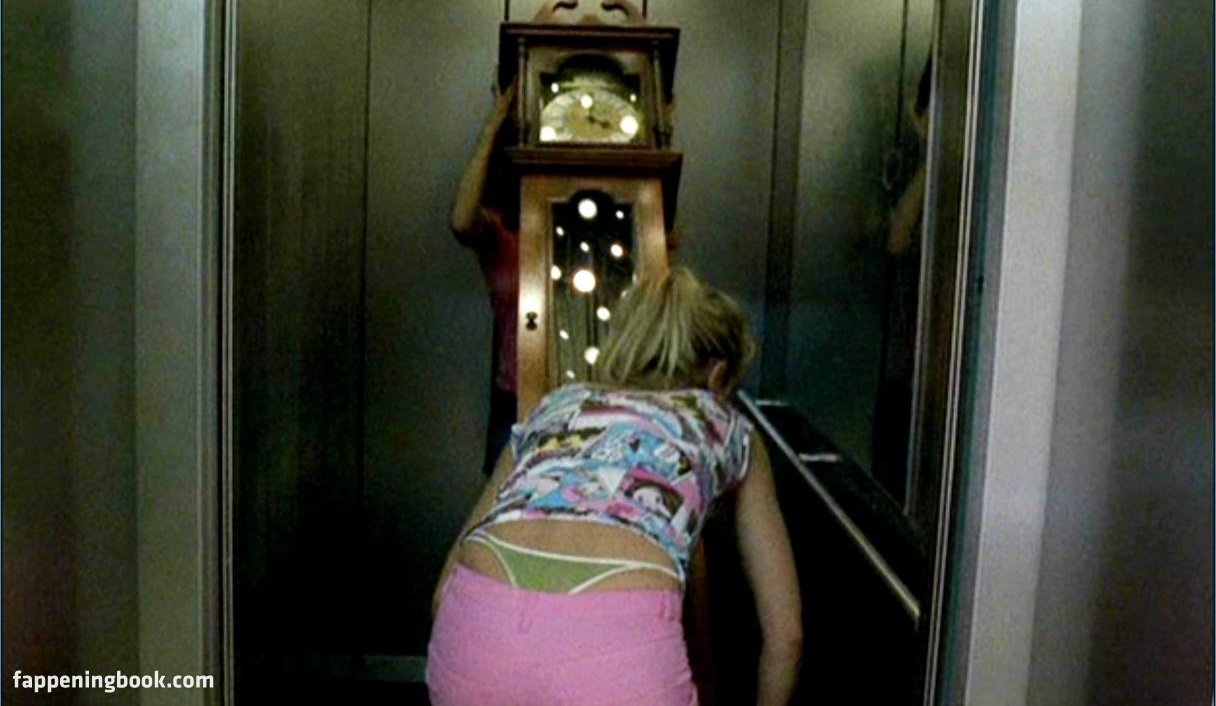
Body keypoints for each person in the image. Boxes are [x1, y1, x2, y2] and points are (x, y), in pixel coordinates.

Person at [427, 267, 802, 705]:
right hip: (618, 649)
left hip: (476, 629)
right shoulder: (728, 427)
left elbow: (444, 589)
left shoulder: (556, 408)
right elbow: (786, 636)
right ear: (719, 375)